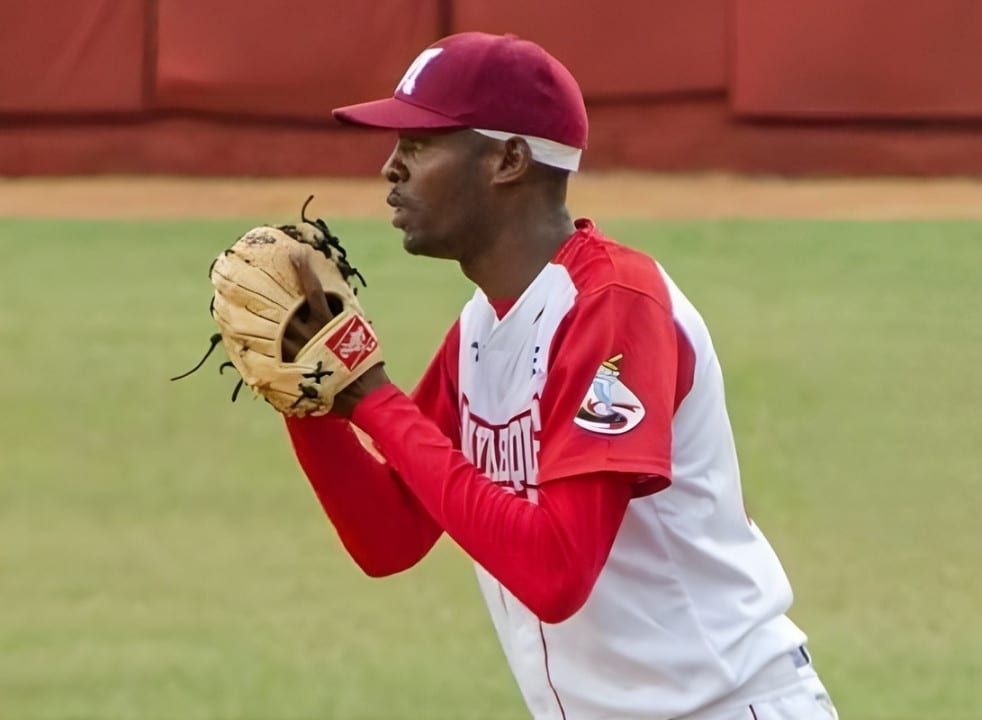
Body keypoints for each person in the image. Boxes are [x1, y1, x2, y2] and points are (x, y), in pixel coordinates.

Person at [283, 31, 838, 720]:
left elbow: (555, 572)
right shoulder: (483, 328)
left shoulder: (615, 306)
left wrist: (373, 398)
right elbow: (389, 536)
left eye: (420, 144)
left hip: (722, 707)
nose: (391, 168)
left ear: (509, 159)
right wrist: (310, 399)